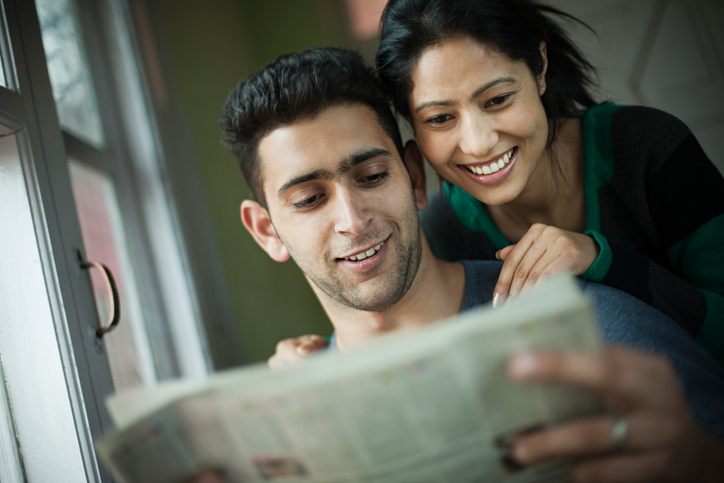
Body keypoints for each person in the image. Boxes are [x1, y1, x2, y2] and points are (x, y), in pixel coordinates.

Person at [219, 46, 724, 481]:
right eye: (309, 199)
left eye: (372, 176)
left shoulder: (590, 322)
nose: (353, 220)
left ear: (415, 178)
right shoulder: (295, 421)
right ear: (267, 230)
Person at [371, 0, 724, 366]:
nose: (478, 143)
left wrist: (603, 261)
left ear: (538, 66)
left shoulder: (649, 147)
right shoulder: (440, 236)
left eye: (498, 99)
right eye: (441, 118)